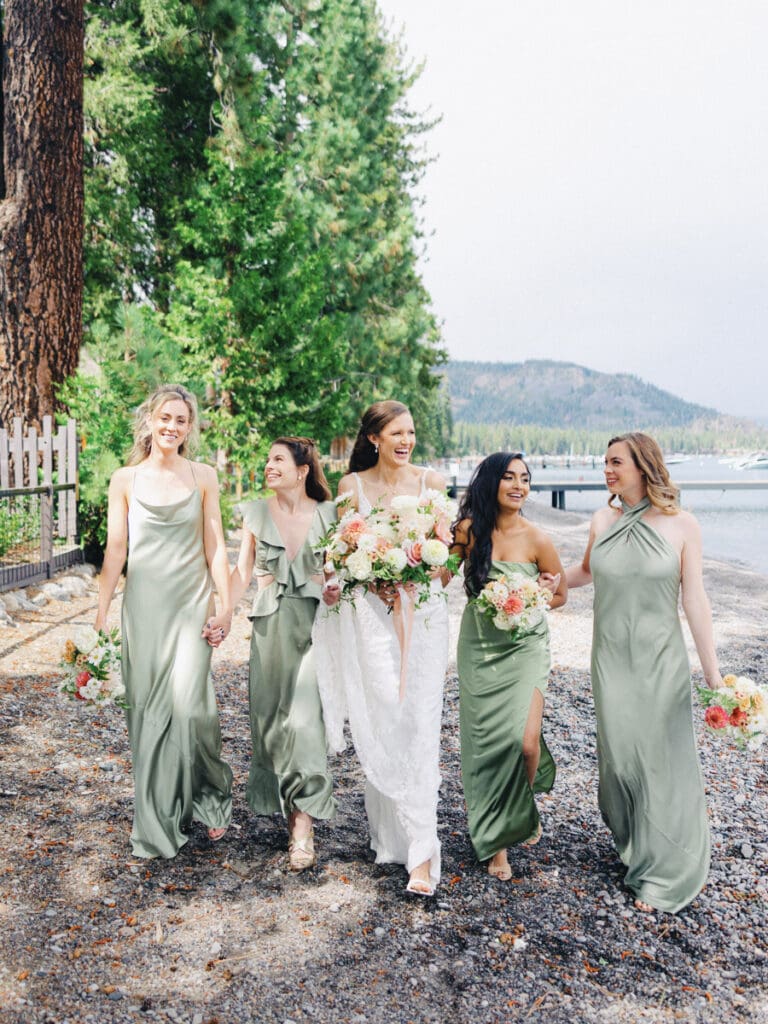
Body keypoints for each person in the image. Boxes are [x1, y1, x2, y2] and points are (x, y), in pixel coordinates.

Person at [566, 432, 720, 913]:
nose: (607, 470)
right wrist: (540, 580)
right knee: (622, 759)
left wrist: (714, 676)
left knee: (660, 758)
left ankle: (664, 870)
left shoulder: (682, 525)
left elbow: (694, 600)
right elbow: (586, 571)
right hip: (611, 658)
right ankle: (634, 842)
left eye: (616, 462)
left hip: (660, 661)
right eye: (605, 462)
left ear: (643, 466)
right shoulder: (601, 519)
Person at [313, 400, 450, 896]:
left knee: (420, 721)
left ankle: (421, 854)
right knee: (384, 713)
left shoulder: (430, 483)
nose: (406, 440)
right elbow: (340, 556)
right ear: (374, 437)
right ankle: (391, 837)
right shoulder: (352, 488)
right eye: (396, 432)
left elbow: (446, 557)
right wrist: (374, 581)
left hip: (425, 619)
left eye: (411, 432)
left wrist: (417, 572)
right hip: (372, 617)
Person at [95, 384, 233, 859]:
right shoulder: (125, 479)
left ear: (189, 427)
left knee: (193, 708)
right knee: (150, 711)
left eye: (181, 420)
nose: (172, 427)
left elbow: (215, 546)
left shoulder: (204, 476)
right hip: (145, 608)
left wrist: (226, 605)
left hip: (192, 603)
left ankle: (210, 796)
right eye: (165, 418)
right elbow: (117, 550)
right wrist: (100, 611)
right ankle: (156, 819)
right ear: (150, 419)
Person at [452, 453, 567, 880]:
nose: (518, 486)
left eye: (525, 479)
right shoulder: (468, 531)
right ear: (491, 483)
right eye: (508, 478)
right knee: (489, 745)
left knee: (526, 744)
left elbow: (560, 596)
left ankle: (522, 809)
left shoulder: (538, 538)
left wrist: (538, 596)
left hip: (525, 646)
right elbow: (438, 576)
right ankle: (499, 843)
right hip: (480, 646)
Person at [230, 437, 337, 871]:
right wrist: (221, 615)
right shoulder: (255, 513)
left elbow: (337, 572)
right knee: (273, 724)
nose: (269, 466)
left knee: (307, 723)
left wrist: (334, 586)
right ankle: (287, 806)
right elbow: (240, 572)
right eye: (268, 459)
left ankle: (302, 829)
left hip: (315, 628)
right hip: (269, 629)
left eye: (278, 460)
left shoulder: (331, 516)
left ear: (302, 469)